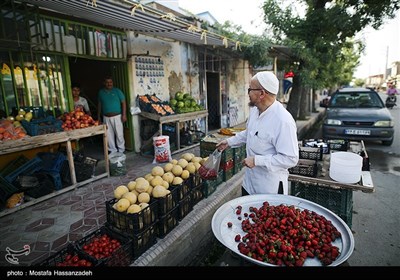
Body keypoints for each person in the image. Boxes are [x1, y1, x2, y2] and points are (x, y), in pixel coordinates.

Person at [216, 71, 299, 195]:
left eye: (250, 89)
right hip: (249, 184)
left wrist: (257, 160)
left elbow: (290, 158)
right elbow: (249, 132)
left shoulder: (283, 121)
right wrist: (229, 142)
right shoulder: (255, 111)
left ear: (261, 93)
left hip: (269, 189)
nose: (248, 93)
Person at [97, 76, 127, 153]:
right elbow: (99, 104)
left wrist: (124, 115)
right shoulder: (101, 92)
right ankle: (112, 151)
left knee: (119, 134)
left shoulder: (117, 91)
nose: (109, 84)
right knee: (108, 136)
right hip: (106, 117)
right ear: (104, 83)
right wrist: (99, 117)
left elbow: (123, 102)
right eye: (107, 82)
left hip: (117, 117)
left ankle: (121, 150)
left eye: (110, 82)